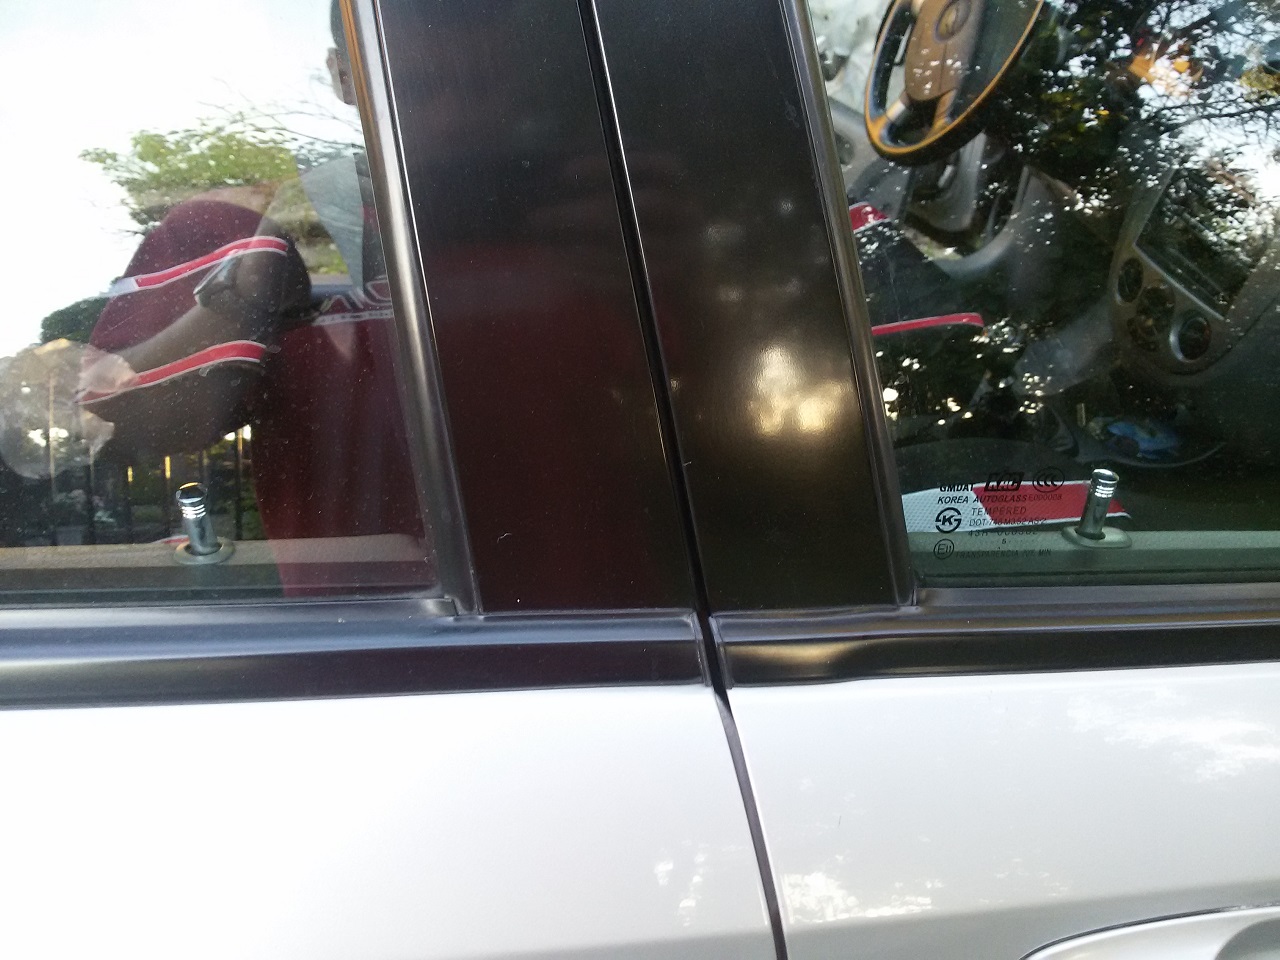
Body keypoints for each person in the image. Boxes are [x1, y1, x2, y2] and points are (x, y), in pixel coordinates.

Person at [78, 4, 432, 593]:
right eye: (412, 72)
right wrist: (238, 302)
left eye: (480, 72)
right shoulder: (240, 224)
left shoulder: (575, 204)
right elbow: (110, 422)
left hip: (578, 615)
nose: (449, 103)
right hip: (357, 612)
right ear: (343, 76)